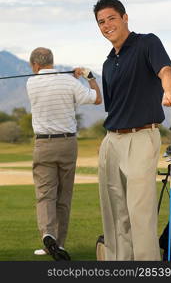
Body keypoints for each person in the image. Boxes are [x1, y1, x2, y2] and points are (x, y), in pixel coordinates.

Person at [93, 0, 171, 261]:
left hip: (141, 137)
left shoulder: (148, 42)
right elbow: (115, 107)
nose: (107, 25)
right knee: (114, 211)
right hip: (111, 141)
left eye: (111, 18)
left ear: (125, 18)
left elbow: (166, 70)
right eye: (101, 22)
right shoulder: (108, 63)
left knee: (139, 210)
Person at [27, 47, 102, 260]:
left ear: (35, 65)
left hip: (43, 145)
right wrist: (89, 77)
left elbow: (45, 80)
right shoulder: (69, 81)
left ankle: (48, 235)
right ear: (52, 61)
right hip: (68, 144)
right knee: (64, 196)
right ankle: (58, 244)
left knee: (45, 195)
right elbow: (97, 99)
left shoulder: (30, 83)